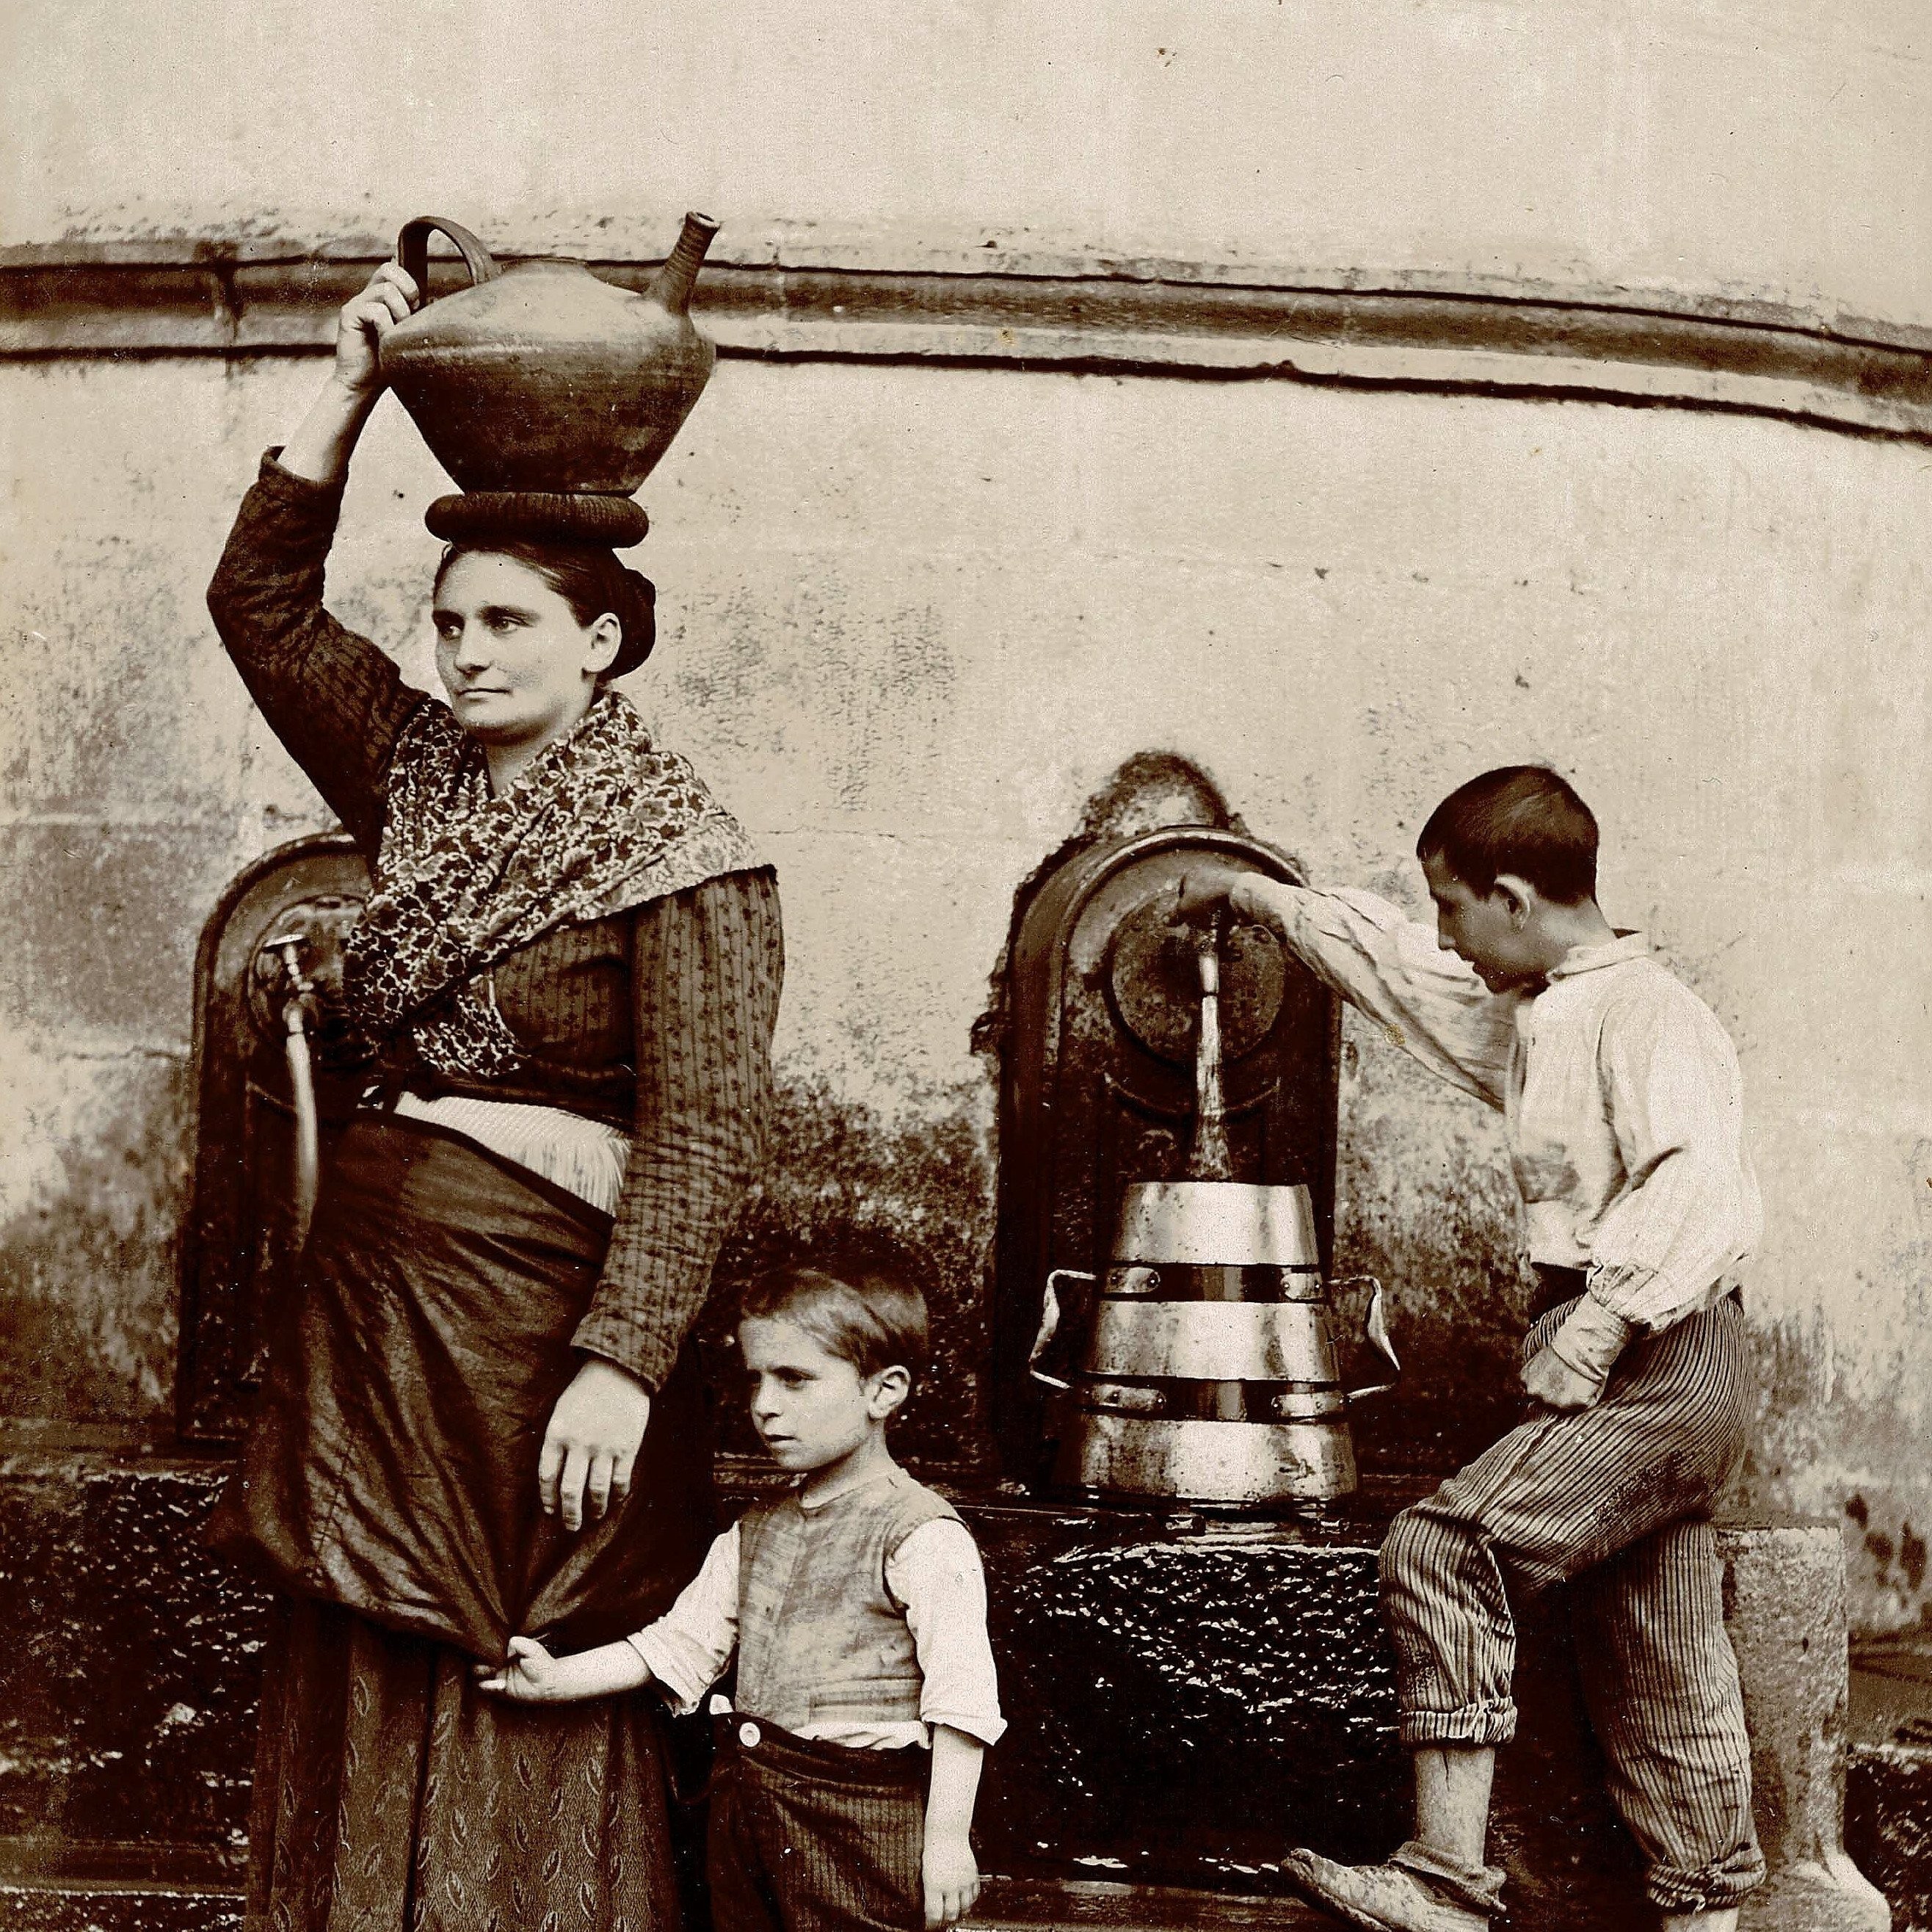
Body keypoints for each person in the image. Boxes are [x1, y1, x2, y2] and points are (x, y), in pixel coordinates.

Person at [203, 259, 783, 1932]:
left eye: (507, 622)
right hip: (379, 1332)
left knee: (514, 1657)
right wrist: (349, 385)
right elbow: (264, 607)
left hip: (546, 1352)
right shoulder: (410, 780)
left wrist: (619, 1363)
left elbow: (708, 1133)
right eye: (448, 624)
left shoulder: (691, 852)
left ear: (602, 639)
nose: (463, 654)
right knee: (365, 1647)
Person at [1178, 766, 1762, 1932]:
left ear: (1509, 895)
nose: (1445, 934)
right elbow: (1405, 979)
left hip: (1661, 1347)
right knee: (1658, 1646)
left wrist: (1597, 1323)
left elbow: (1705, 1178)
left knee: (1445, 1545)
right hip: (1648, 1351)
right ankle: (1710, 1914)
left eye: (1452, 907)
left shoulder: (1650, 1012)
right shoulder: (1542, 1006)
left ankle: (1443, 1883)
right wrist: (1257, 902)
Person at [478, 1259, 1005, 1932]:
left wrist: (947, 1842)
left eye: (796, 1379)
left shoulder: (921, 1535)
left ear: (885, 1391)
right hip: (748, 1808)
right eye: (756, 1377)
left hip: (861, 1825)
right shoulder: (754, 1532)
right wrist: (555, 1682)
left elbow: (961, 1700)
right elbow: (680, 1645)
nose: (764, 1405)